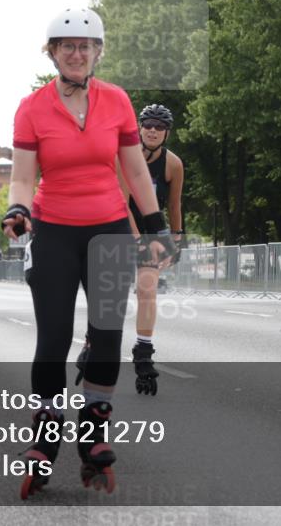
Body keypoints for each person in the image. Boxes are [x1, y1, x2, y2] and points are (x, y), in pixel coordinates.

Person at [3, 7, 175, 499]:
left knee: (104, 336)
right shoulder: (31, 107)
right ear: (52, 53)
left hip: (110, 229)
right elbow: (22, 174)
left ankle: (94, 434)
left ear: (98, 52)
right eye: (67, 46)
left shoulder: (117, 102)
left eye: (86, 46)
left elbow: (136, 173)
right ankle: (45, 437)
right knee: (53, 336)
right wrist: (17, 206)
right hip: (53, 229)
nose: (77, 54)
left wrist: (155, 229)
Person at [75, 104, 185, 396]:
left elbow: (174, 205)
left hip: (149, 227)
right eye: (147, 124)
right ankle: (92, 340)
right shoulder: (124, 157)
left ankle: (143, 350)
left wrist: (175, 239)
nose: (152, 130)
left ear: (167, 133)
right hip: (115, 223)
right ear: (139, 127)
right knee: (112, 293)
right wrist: (138, 242)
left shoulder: (173, 164)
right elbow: (123, 204)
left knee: (147, 287)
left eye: (159, 127)